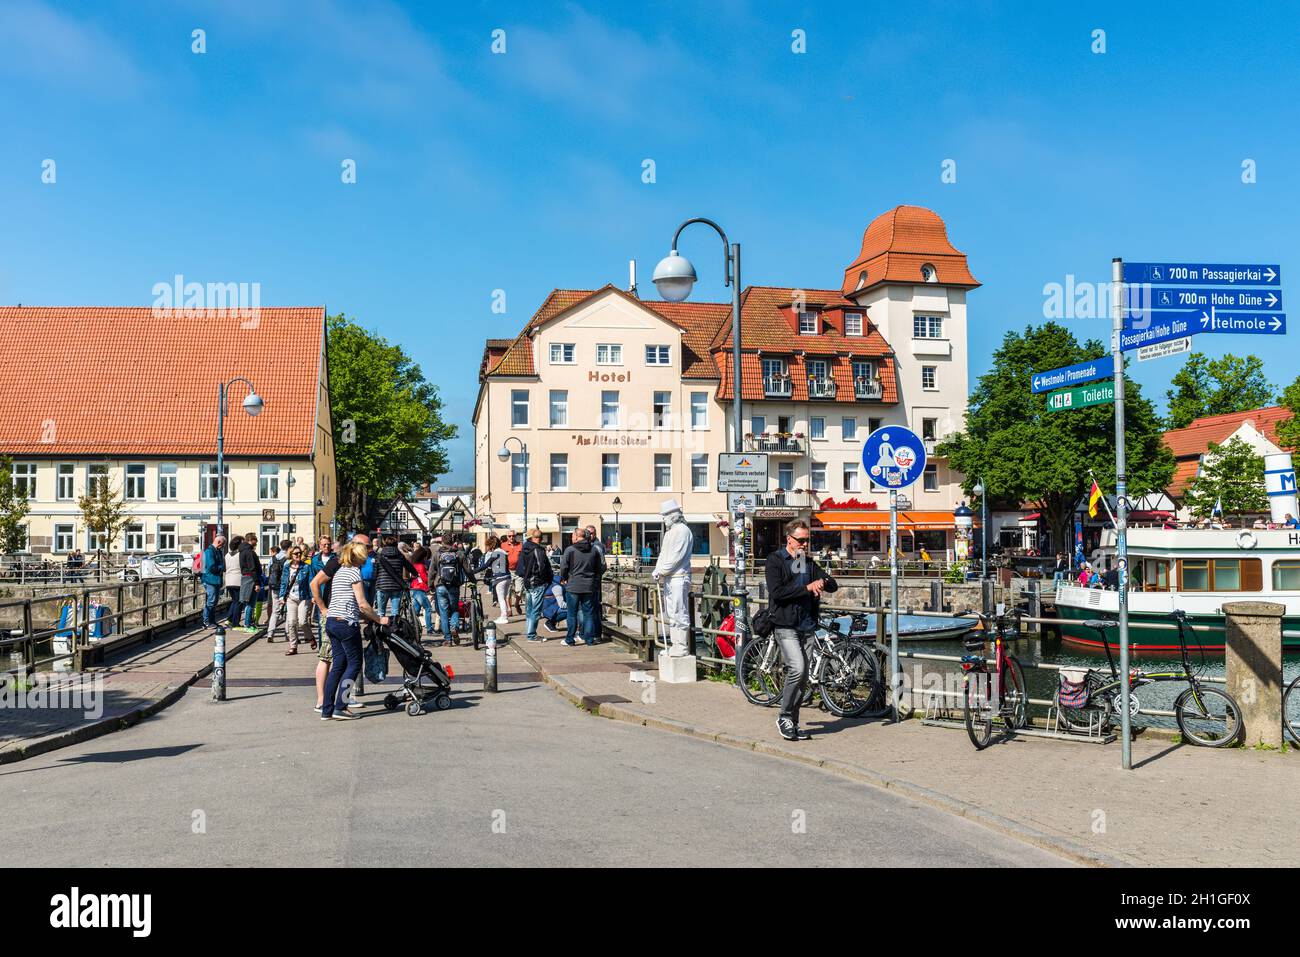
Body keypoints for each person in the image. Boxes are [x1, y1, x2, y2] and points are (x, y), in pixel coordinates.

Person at [766, 519, 838, 741]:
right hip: (785, 624)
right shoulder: (775, 560)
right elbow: (777, 593)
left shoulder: (807, 562)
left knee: (804, 677)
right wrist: (807, 587)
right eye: (801, 540)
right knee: (796, 669)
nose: (805, 544)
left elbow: (833, 585)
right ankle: (784, 716)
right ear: (789, 539)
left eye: (807, 540)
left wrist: (822, 582)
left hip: (806, 625)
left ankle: (793, 722)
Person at [320, 540, 389, 720]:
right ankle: (341, 706)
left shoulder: (340, 572)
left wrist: (366, 616)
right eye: (363, 558)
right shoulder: (353, 573)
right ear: (358, 558)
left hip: (332, 622)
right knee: (354, 664)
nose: (365, 561)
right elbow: (362, 604)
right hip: (346, 625)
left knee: (338, 666)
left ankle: (326, 709)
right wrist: (379, 619)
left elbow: (348, 602)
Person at [310, 532, 370, 712]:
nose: (368, 552)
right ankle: (329, 703)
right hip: (338, 618)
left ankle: (331, 707)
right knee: (335, 660)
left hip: (335, 618)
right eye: (365, 547)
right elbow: (315, 583)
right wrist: (322, 607)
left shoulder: (345, 566)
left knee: (339, 663)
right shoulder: (340, 564)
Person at [652, 499, 693, 657]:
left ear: (673, 515)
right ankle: (674, 644)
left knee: (679, 611)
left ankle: (681, 646)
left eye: (665, 515)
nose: (663, 519)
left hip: (679, 577)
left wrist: (662, 570)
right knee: (671, 612)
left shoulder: (682, 531)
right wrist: (658, 569)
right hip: (670, 578)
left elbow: (676, 556)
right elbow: (663, 554)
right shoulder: (670, 533)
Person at [559, 527, 604, 646]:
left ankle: (570, 639)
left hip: (573, 585)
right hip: (589, 586)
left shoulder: (570, 550)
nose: (571, 537)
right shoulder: (594, 550)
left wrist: (563, 578)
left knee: (572, 613)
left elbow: (563, 567)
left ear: (578, 536)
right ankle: (589, 639)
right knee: (588, 613)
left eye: (573, 535)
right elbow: (599, 568)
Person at [518, 527, 554, 642]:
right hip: (537, 582)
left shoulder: (525, 548)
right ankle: (531, 635)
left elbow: (520, 567)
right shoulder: (537, 550)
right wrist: (548, 579)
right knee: (535, 610)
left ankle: (529, 632)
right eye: (539, 537)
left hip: (527, 582)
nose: (539, 539)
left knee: (529, 609)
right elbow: (542, 567)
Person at [374, 533, 417, 618]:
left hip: (382, 586)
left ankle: (381, 629)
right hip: (396, 586)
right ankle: (394, 629)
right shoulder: (400, 556)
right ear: (396, 545)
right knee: (395, 612)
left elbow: (376, 571)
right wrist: (416, 574)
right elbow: (409, 567)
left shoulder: (379, 556)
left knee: (381, 612)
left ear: (385, 544)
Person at [279, 545, 312, 654]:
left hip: (304, 597)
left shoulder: (306, 567)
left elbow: (310, 583)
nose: (298, 555)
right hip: (291, 598)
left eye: (299, 553)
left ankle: (310, 637)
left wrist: (313, 597)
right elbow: (284, 582)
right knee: (291, 622)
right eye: (296, 553)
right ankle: (293, 646)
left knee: (302, 621)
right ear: (291, 555)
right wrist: (281, 597)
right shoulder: (287, 567)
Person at [476, 535, 512, 625]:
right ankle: (504, 615)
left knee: (501, 599)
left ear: (491, 545)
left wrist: (473, 571)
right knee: (504, 598)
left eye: (488, 546)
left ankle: (504, 617)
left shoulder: (495, 553)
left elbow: (486, 565)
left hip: (500, 578)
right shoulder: (503, 552)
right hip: (508, 577)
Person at [265, 539, 290, 640]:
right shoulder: (288, 558)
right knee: (288, 611)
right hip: (285, 587)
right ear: (289, 547)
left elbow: (268, 571)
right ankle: (288, 634)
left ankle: (270, 633)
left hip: (274, 586)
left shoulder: (273, 558)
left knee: (275, 611)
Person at [409, 545, 436, 635]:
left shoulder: (413, 565)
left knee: (416, 610)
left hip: (413, 588)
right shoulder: (421, 566)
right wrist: (431, 585)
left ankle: (412, 625)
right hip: (420, 589)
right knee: (428, 608)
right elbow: (425, 578)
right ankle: (429, 628)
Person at [200, 535, 226, 627]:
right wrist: (222, 567)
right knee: (211, 601)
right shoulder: (210, 551)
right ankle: (206, 621)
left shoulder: (216, 551)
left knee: (214, 602)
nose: (223, 547)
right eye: (222, 544)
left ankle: (212, 621)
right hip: (210, 579)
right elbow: (211, 567)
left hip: (215, 580)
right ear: (218, 542)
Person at [502, 530, 524, 616]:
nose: (511, 537)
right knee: (508, 591)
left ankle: (517, 603)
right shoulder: (503, 545)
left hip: (518, 571)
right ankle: (509, 609)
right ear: (507, 537)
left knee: (520, 589)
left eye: (513, 536)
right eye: (510, 536)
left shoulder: (520, 545)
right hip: (507, 571)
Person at [224, 538, 244, 627]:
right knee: (239, 602)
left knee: (234, 600)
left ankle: (229, 618)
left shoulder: (227, 555)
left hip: (228, 580)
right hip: (238, 580)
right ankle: (235, 622)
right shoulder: (240, 554)